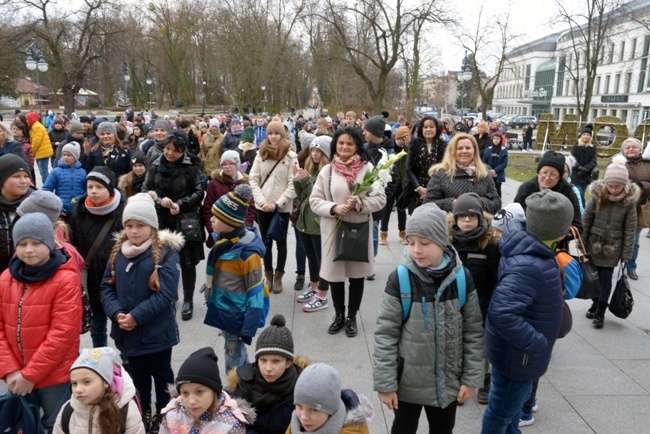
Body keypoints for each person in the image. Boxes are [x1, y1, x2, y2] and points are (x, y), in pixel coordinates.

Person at [373, 203, 484, 434]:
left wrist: (471, 378)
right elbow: (386, 333)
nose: (416, 250)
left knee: (443, 429)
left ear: (443, 243)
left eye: (424, 243)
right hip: (407, 383)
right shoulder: (401, 278)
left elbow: (473, 332)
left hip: (447, 381)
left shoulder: (461, 279)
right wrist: (385, 384)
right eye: (411, 242)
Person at [481, 190, 574, 434]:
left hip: (516, 356)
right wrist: (537, 344)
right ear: (558, 230)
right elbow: (502, 313)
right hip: (518, 358)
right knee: (499, 414)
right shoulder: (530, 264)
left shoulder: (532, 250)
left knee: (509, 413)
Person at [100, 192, 183, 432]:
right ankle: (142, 412)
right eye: (129, 226)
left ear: (152, 227)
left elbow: (165, 295)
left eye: (140, 226)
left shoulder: (166, 253)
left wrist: (136, 316)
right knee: (137, 378)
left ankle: (166, 414)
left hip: (157, 334)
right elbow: (106, 288)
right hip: (127, 333)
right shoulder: (118, 252)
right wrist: (117, 314)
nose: (134, 231)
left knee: (162, 373)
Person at [0, 213, 82, 433]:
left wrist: (31, 375)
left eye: (36, 243)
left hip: (54, 376)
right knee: (21, 423)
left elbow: (62, 334)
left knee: (56, 424)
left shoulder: (65, 278)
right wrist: (10, 370)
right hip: (16, 375)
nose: (28, 249)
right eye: (22, 243)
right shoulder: (6, 278)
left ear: (49, 243)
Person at [309, 127, 386, 337]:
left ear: (357, 146)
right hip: (334, 230)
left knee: (356, 276)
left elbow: (381, 199)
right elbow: (314, 201)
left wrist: (360, 203)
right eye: (341, 143)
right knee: (335, 277)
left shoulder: (368, 169)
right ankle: (339, 315)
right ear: (335, 145)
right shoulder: (328, 171)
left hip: (358, 230)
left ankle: (352, 317)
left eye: (350, 144)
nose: (345, 147)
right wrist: (333, 208)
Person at [204, 184, 268, 372]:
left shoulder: (247, 253)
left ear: (230, 221)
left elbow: (256, 292)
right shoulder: (224, 243)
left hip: (236, 315)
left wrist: (248, 328)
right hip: (225, 308)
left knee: (232, 359)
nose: (211, 219)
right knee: (238, 354)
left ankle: (236, 393)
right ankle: (245, 383)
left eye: (217, 217)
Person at [143, 130, 204, 321]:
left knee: (187, 261)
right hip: (160, 218)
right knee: (161, 259)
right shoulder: (154, 163)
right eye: (167, 149)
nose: (169, 153)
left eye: (175, 151)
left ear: (183, 151)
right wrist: (159, 200)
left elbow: (199, 190)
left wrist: (182, 204)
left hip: (185, 219)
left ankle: (188, 299)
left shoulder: (193, 165)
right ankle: (169, 292)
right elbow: (146, 189)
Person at [449, 193, 500, 405]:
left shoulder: (489, 245)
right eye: (462, 217)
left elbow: (495, 278)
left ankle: (484, 380)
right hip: (453, 304)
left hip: (481, 303)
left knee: (480, 345)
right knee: (456, 344)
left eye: (472, 216)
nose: (467, 221)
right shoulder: (448, 243)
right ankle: (459, 382)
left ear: (480, 217)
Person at [228, 314, 309, 434]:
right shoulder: (245, 384)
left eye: (276, 361)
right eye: (263, 360)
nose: (268, 368)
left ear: (288, 363)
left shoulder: (302, 387)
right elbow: (237, 425)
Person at [583, 163, 638, 327]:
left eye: (618, 186)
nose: (614, 189)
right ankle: (594, 302)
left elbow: (630, 230)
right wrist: (582, 243)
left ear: (624, 185)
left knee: (606, 279)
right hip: (594, 244)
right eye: (611, 186)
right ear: (605, 183)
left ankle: (600, 310)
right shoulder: (597, 197)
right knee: (593, 278)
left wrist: (627, 254)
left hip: (613, 248)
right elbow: (586, 221)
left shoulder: (628, 203)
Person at [249, 120, 298, 294]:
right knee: (265, 242)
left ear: (282, 135)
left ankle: (279, 276)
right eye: (270, 133)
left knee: (281, 242)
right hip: (263, 207)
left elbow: (293, 184)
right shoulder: (260, 153)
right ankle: (268, 275)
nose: (273, 137)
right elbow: (253, 179)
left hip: (281, 208)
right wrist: (262, 202)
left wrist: (278, 204)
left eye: (277, 133)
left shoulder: (291, 156)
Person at [159, 347, 252, 433]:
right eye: (185, 393)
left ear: (214, 391)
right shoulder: (172, 415)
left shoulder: (231, 425)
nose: (191, 401)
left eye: (199, 392)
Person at [53, 347, 145, 433]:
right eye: (74, 383)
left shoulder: (126, 410)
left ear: (105, 382)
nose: (78, 390)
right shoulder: (68, 409)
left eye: (87, 382)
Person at [293, 136, 331, 312]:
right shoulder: (310, 168)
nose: (314, 154)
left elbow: (317, 197)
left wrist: (306, 181)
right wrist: (297, 179)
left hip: (317, 221)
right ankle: (314, 285)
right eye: (312, 151)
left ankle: (322, 293)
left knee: (321, 258)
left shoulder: (328, 172)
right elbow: (301, 197)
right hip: (304, 220)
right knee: (310, 256)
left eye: (318, 151)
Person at [424, 133, 501, 214]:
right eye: (460, 148)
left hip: (481, 224)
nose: (464, 151)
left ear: (474, 150)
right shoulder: (440, 174)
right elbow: (428, 204)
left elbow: (496, 204)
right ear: (452, 151)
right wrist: (454, 203)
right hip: (449, 224)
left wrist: (478, 202)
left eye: (468, 148)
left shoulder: (485, 173)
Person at [286, 363, 372, 434]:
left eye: (314, 409)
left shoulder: (353, 431)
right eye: (299, 406)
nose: (303, 417)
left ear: (331, 408)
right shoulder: (294, 425)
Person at [514, 150, 583, 235]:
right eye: (544, 172)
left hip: (556, 245)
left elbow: (578, 227)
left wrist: (557, 234)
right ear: (538, 173)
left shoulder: (568, 194)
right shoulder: (525, 191)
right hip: (526, 240)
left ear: (559, 177)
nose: (547, 177)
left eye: (553, 174)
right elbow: (514, 217)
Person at [203, 151, 256, 248]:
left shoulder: (244, 184)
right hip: (219, 233)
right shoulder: (214, 183)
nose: (227, 166)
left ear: (237, 165)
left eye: (231, 163)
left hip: (240, 233)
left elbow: (251, 208)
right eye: (224, 164)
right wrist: (212, 229)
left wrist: (246, 226)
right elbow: (207, 208)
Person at [617, 137, 650, 280]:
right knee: (615, 238)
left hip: (638, 208)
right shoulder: (617, 163)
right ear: (623, 150)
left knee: (634, 241)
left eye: (634, 147)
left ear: (640, 149)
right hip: (618, 207)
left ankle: (631, 267)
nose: (631, 149)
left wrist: (641, 186)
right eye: (627, 147)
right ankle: (611, 265)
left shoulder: (647, 165)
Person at [0, 154, 34, 273]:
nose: (23, 181)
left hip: (26, 274)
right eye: (16, 176)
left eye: (26, 176)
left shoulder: (38, 204)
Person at [406, 116, 447, 212]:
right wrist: (418, 188)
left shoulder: (444, 146)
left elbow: (446, 169)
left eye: (431, 127)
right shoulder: (414, 145)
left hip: (438, 190)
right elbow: (408, 168)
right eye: (426, 127)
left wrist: (432, 190)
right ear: (421, 129)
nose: (428, 129)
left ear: (437, 129)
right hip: (417, 191)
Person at [380, 125, 410, 245]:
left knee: (401, 209)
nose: (403, 143)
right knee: (386, 209)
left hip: (403, 183)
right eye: (402, 140)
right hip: (390, 182)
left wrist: (408, 146)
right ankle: (383, 233)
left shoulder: (408, 149)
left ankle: (402, 232)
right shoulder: (389, 147)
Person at [42, 143, 87, 220]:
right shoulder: (56, 172)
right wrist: (57, 207)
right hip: (62, 211)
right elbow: (46, 191)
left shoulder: (83, 172)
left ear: (76, 157)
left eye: (69, 155)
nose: (66, 157)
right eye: (64, 155)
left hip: (79, 211)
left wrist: (80, 201)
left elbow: (88, 191)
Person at [570, 124, 598, 205]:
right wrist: (579, 168)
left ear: (590, 137)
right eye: (584, 134)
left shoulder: (593, 148)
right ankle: (582, 211)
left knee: (580, 193)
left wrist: (585, 168)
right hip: (575, 175)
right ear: (581, 136)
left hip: (585, 176)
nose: (586, 136)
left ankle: (582, 211)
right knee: (578, 193)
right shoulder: (576, 147)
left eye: (588, 135)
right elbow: (572, 159)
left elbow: (594, 161)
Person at [26, 111, 54, 182]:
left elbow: (36, 142)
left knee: (43, 172)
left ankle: (47, 187)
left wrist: (31, 152)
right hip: (41, 152)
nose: (27, 121)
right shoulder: (35, 126)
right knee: (43, 171)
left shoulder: (37, 127)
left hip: (42, 153)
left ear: (31, 119)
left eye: (27, 119)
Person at [482, 133, 508, 198]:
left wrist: (495, 171)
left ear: (500, 140)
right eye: (494, 138)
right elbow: (484, 162)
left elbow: (504, 163)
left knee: (497, 189)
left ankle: (498, 204)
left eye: (498, 139)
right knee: (488, 190)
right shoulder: (488, 150)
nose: (496, 140)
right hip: (489, 173)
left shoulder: (503, 150)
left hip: (498, 174)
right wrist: (490, 171)